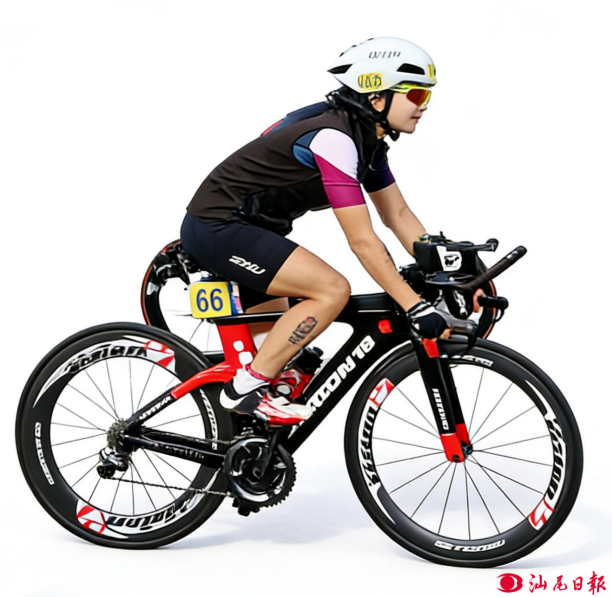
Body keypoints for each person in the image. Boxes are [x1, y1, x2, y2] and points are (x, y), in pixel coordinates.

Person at [181, 37, 451, 426]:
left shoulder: (368, 141)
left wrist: (447, 269)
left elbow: (398, 215)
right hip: (218, 227)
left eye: (427, 94)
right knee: (331, 290)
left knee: (287, 351)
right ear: (377, 98)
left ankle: (254, 422)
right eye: (415, 93)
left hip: (252, 230)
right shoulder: (335, 140)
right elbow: (362, 241)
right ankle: (244, 390)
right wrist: (415, 306)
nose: (423, 105)